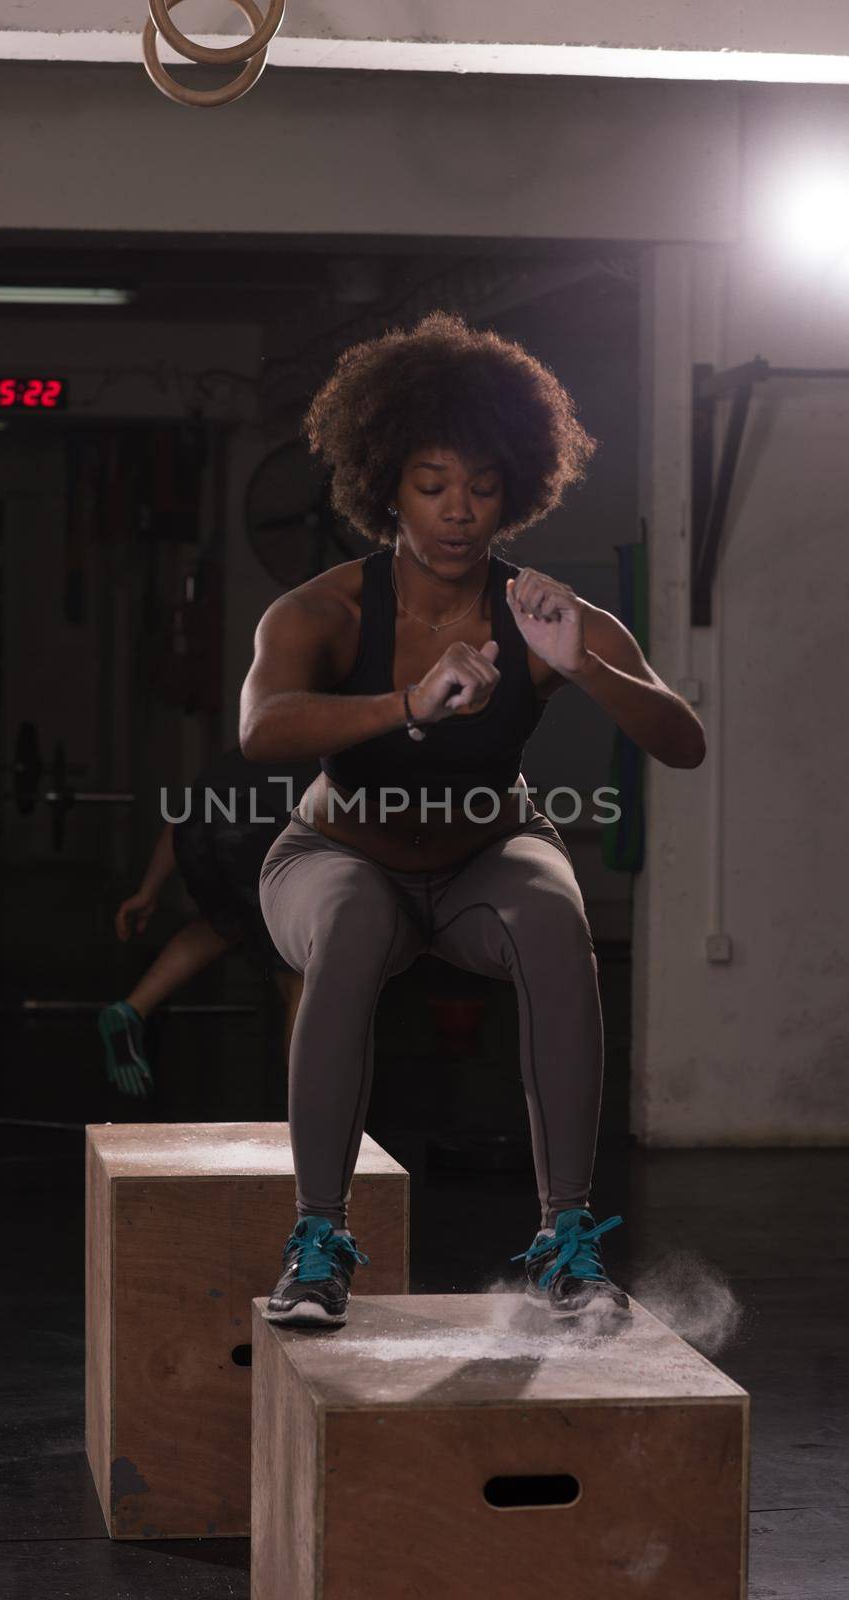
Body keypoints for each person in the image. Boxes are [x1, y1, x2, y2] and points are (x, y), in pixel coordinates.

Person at [239, 310, 706, 1329]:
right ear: (383, 486)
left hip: (485, 861)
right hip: (334, 854)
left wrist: (587, 663)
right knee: (356, 921)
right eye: (432, 483)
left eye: (483, 486)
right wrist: (405, 704)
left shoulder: (545, 616)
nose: (459, 511)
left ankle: (565, 1240)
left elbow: (681, 740)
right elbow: (262, 731)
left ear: (517, 488)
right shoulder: (323, 612)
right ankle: (317, 1241)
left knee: (551, 913)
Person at [98, 749, 316, 1100]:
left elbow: (182, 818)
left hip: (197, 828)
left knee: (221, 925)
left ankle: (131, 1009)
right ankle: (308, 1113)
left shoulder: (251, 745)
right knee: (301, 973)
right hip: (254, 833)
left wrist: (147, 891)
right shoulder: (336, 751)